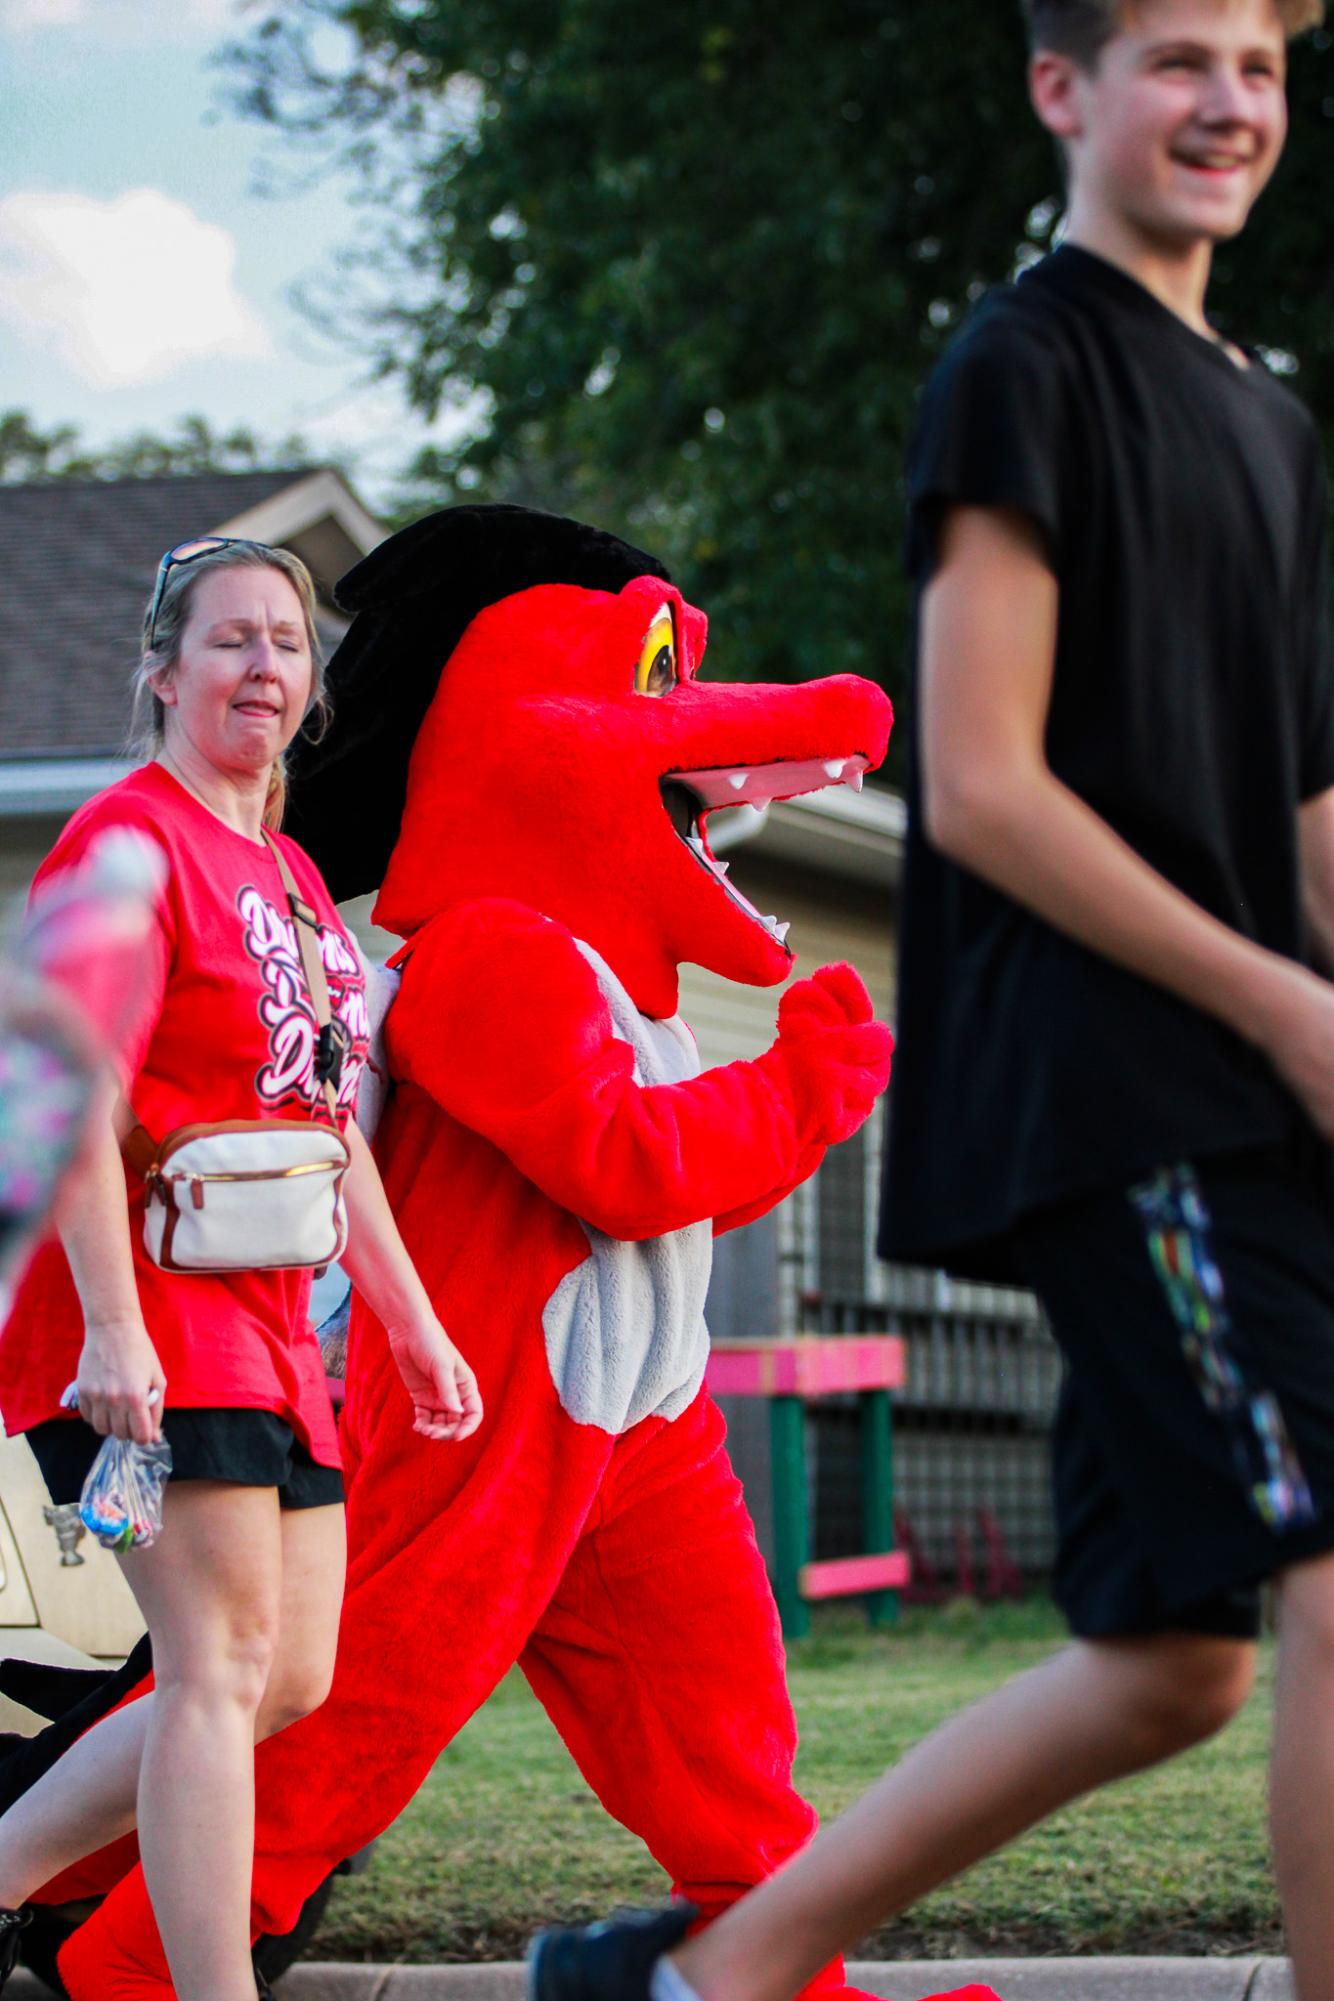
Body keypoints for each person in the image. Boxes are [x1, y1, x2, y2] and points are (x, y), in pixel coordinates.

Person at [526, 3, 1334, 2000]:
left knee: (1166, 1659)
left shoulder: (1273, 420)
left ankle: (700, 1979)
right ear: (1063, 90)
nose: (1225, 100)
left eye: (1258, 62)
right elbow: (978, 783)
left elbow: (1307, 800)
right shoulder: (1024, 364)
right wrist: (1283, 1007)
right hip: (1130, 1084)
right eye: (1176, 57)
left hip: (1258, 1078)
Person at [0, 537, 482, 2001]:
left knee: (289, 1676)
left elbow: (327, 1123)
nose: (263, 665)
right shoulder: (126, 845)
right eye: (229, 640)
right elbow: (68, 1085)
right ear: (161, 670)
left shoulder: (284, 873)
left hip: (278, 1323)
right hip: (147, 1304)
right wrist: (109, 1323)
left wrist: (407, 1320)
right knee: (215, 1664)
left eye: (285, 642)